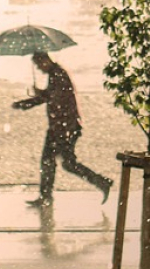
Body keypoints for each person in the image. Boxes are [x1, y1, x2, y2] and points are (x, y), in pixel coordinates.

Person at [12, 51, 113, 207]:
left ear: (45, 60)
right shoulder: (56, 74)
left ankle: (100, 182)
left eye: (39, 65)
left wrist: (30, 101)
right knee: (56, 162)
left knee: (56, 162)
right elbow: (51, 96)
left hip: (64, 127)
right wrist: (35, 98)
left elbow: (54, 98)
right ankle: (47, 196)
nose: (39, 69)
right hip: (63, 126)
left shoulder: (58, 75)